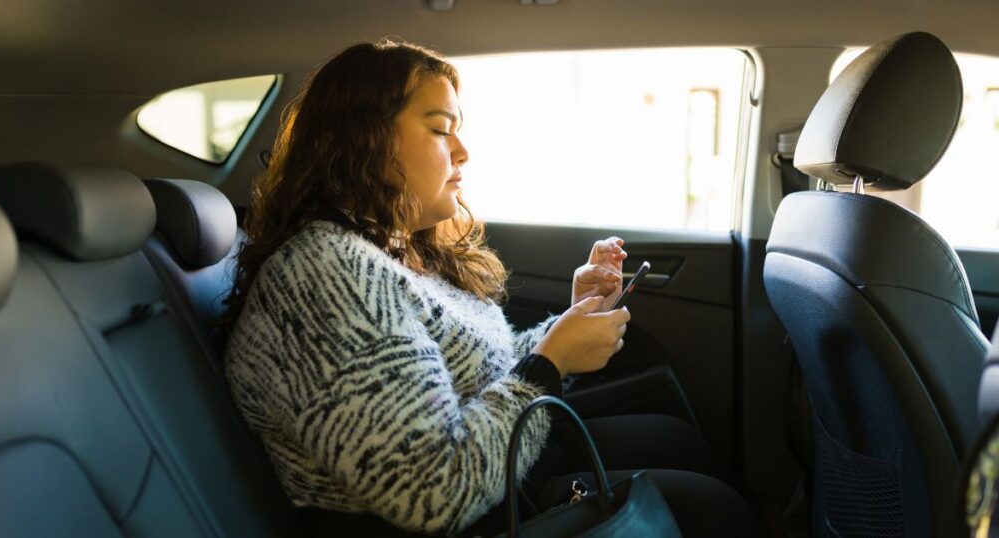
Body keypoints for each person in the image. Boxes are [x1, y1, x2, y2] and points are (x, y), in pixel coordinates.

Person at [222, 38, 754, 536]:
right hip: (473, 514)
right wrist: (550, 362)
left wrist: (568, 327)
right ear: (364, 140)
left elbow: (473, 376)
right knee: (713, 510)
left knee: (675, 440)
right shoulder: (326, 275)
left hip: (508, 470)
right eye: (440, 129)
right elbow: (432, 492)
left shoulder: (384, 250)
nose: (462, 151)